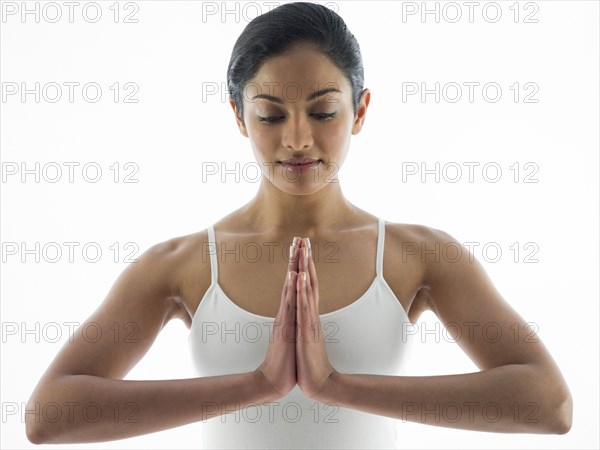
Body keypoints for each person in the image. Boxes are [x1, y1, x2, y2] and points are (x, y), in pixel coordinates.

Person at [25, 2, 572, 448]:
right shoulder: (180, 264)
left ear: (360, 111)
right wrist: (254, 385)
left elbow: (549, 405)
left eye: (323, 111)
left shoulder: (418, 255)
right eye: (270, 115)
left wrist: (337, 387)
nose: (297, 139)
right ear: (239, 117)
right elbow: (48, 416)